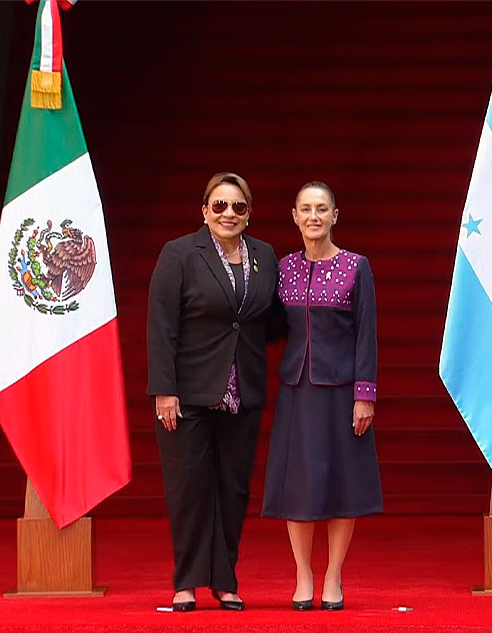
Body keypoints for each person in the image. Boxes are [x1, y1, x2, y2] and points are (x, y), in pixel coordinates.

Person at [146, 172, 279, 612]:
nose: (229, 214)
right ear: (204, 211)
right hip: (187, 393)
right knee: (189, 489)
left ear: (249, 214)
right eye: (219, 205)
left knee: (233, 489)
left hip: (243, 390)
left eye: (238, 207)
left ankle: (225, 580)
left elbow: (270, 319)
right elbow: (161, 326)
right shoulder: (180, 254)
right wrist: (164, 390)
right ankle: (187, 581)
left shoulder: (264, 255)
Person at [262, 181, 382, 612]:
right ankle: (302, 574)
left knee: (341, 485)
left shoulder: (356, 266)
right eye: (306, 209)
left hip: (341, 392)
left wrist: (364, 395)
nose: (314, 217)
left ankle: (333, 576)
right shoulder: (282, 268)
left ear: (335, 215)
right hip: (296, 390)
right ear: (294, 216)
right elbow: (269, 326)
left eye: (322, 209)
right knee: (299, 486)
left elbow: (367, 334)